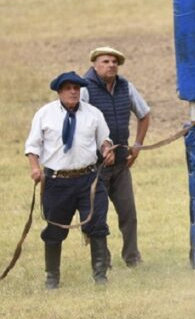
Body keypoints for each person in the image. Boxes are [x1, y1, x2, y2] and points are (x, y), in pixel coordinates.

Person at [25, 72, 115, 289]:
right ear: (59, 91)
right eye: (68, 88)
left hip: (89, 180)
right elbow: (33, 146)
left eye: (76, 87)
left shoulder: (93, 114)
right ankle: (52, 278)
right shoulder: (44, 114)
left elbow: (104, 139)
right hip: (57, 182)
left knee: (97, 225)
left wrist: (108, 150)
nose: (73, 91)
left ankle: (100, 277)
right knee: (54, 229)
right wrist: (35, 168)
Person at [81, 47, 151, 268]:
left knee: (128, 213)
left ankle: (132, 258)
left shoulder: (125, 87)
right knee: (96, 216)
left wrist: (137, 145)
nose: (111, 65)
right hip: (94, 166)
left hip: (121, 163)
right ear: (95, 64)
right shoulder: (84, 89)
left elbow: (144, 114)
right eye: (105, 61)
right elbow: (79, 126)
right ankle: (102, 262)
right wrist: (99, 150)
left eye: (114, 62)